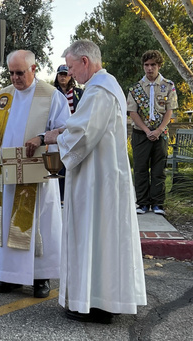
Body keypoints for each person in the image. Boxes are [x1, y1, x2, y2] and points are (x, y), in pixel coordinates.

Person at [45, 39, 147, 324]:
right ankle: (96, 300)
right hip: (100, 176)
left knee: (96, 235)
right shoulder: (101, 87)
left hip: (98, 182)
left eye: (71, 66)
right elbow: (85, 125)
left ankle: (97, 305)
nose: (70, 72)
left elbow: (84, 134)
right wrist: (65, 131)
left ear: (85, 62)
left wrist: (54, 136)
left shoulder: (100, 89)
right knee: (99, 237)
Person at [0, 50, 69, 298]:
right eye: (12, 73)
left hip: (37, 176)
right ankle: (10, 276)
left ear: (34, 69)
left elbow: (65, 130)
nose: (15, 78)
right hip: (8, 174)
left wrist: (42, 140)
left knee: (40, 225)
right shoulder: (4, 97)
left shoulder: (51, 96)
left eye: (20, 73)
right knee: (8, 225)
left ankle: (41, 278)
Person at [127, 50, 177, 216]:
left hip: (160, 134)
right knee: (140, 169)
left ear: (159, 65)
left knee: (158, 170)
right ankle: (142, 203)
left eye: (153, 65)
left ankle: (157, 204)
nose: (149, 68)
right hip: (141, 134)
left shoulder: (169, 85)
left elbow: (170, 110)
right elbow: (132, 112)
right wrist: (148, 130)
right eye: (146, 65)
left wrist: (159, 129)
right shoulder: (135, 88)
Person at [53, 64, 83, 204]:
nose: (63, 77)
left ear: (70, 76)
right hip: (59, 133)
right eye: (60, 75)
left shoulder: (79, 92)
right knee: (59, 165)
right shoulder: (53, 93)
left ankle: (73, 195)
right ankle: (60, 196)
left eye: (65, 74)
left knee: (74, 163)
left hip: (75, 133)